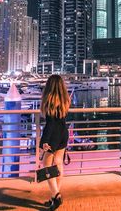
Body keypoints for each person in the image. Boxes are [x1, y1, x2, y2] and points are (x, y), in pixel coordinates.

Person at [39, 74, 71, 210]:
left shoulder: (50, 100)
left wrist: (44, 142)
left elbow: (50, 124)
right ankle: (54, 197)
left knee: (46, 166)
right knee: (58, 164)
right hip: (64, 133)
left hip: (53, 136)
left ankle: (56, 195)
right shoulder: (65, 100)